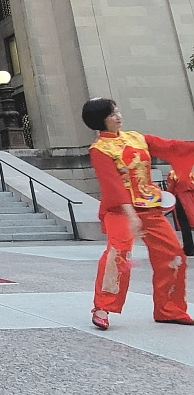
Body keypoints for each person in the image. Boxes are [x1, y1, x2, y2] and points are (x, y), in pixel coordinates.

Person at [83, 97, 194, 330]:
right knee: (117, 256)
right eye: (112, 114)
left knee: (173, 255)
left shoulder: (137, 138)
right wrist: (130, 215)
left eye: (117, 111)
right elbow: (111, 185)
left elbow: (171, 147)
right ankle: (102, 307)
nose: (118, 116)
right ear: (100, 121)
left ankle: (169, 309)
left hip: (149, 208)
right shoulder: (100, 149)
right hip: (120, 211)